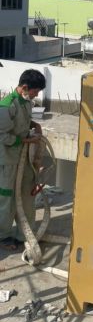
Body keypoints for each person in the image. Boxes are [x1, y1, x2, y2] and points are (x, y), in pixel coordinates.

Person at [0, 69, 46, 250]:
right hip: (7, 160)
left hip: (23, 157)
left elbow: (24, 122)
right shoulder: (6, 106)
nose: (37, 95)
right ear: (25, 87)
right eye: (36, 91)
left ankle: (25, 234)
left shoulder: (26, 102)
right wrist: (27, 141)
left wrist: (36, 125)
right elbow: (2, 136)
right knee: (7, 198)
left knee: (27, 194)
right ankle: (3, 236)